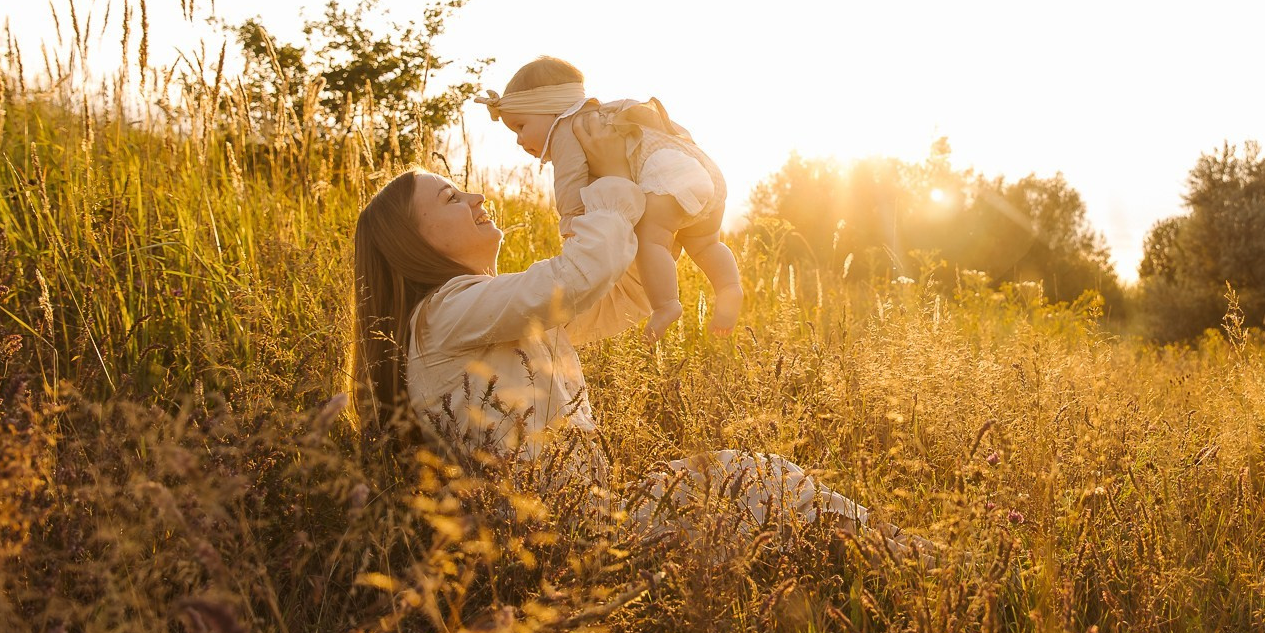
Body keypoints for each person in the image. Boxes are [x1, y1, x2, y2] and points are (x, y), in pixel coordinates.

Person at [350, 113, 903, 557]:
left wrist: (661, 212)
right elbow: (576, 277)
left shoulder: (483, 310)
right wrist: (613, 178)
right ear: (410, 242)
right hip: (563, 538)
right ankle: (912, 564)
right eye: (451, 199)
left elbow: (614, 294)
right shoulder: (442, 314)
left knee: (757, 481)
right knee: (760, 480)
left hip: (590, 518)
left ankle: (885, 558)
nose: (475, 198)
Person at [475, 56, 742, 342]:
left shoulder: (566, 128)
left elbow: (569, 185)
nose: (519, 140)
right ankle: (729, 287)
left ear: (549, 109)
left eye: (520, 126)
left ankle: (666, 304)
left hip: (668, 173)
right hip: (700, 170)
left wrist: (573, 229)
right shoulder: (601, 115)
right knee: (705, 244)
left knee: (650, 239)